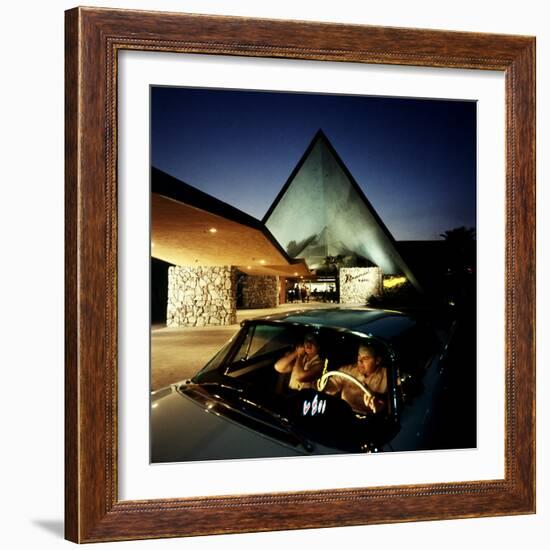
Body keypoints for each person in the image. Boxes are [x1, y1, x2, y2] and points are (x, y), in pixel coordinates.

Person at [324, 343, 387, 414]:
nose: (359, 361)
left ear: (377, 360)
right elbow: (332, 385)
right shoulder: (347, 371)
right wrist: (323, 385)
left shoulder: (387, 375)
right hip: (345, 413)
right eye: (359, 356)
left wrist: (378, 402)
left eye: (365, 358)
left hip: (371, 419)